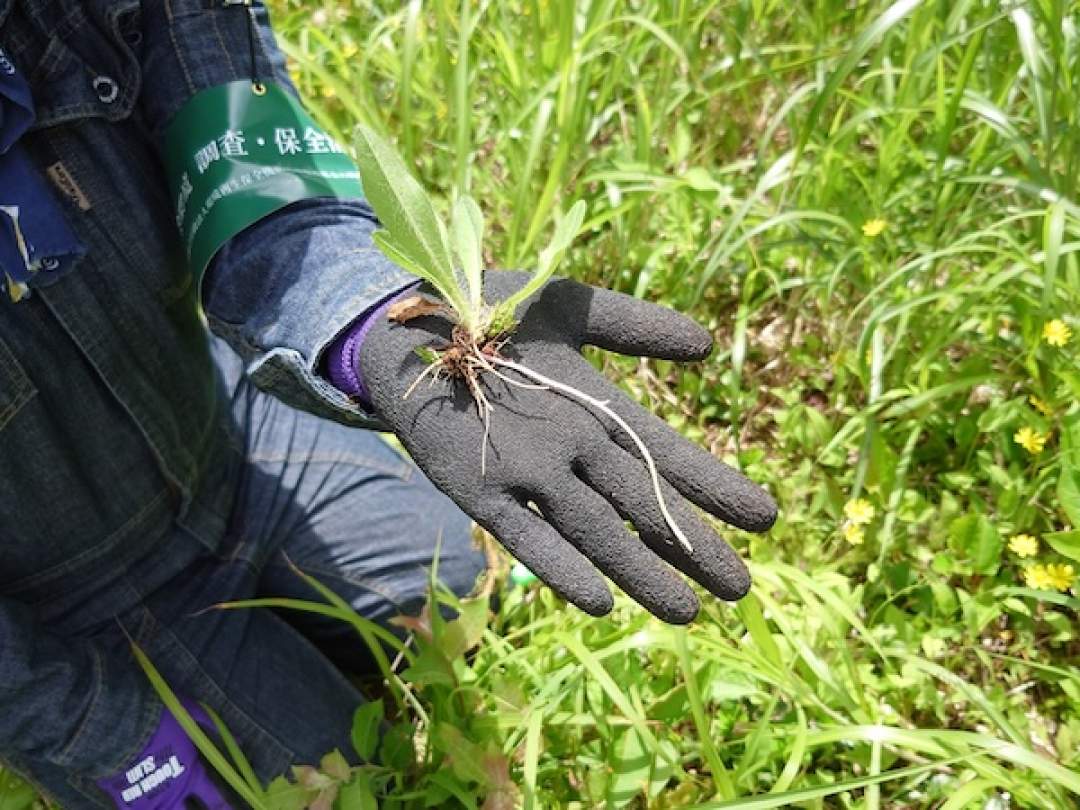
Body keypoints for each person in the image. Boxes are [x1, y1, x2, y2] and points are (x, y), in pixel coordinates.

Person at [0, 2, 776, 807]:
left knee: (458, 581)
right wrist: (93, 728)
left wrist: (374, 329)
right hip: (67, 606)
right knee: (341, 788)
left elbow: (249, 178)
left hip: (218, 438)